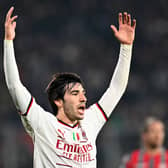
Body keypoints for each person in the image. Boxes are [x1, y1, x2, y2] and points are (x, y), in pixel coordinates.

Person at [4, 6, 136, 168]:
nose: (83, 98)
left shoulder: (90, 120)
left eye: (83, 93)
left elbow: (116, 89)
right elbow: (14, 86)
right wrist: (8, 42)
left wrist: (126, 48)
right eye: (75, 93)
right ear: (58, 101)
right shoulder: (42, 124)